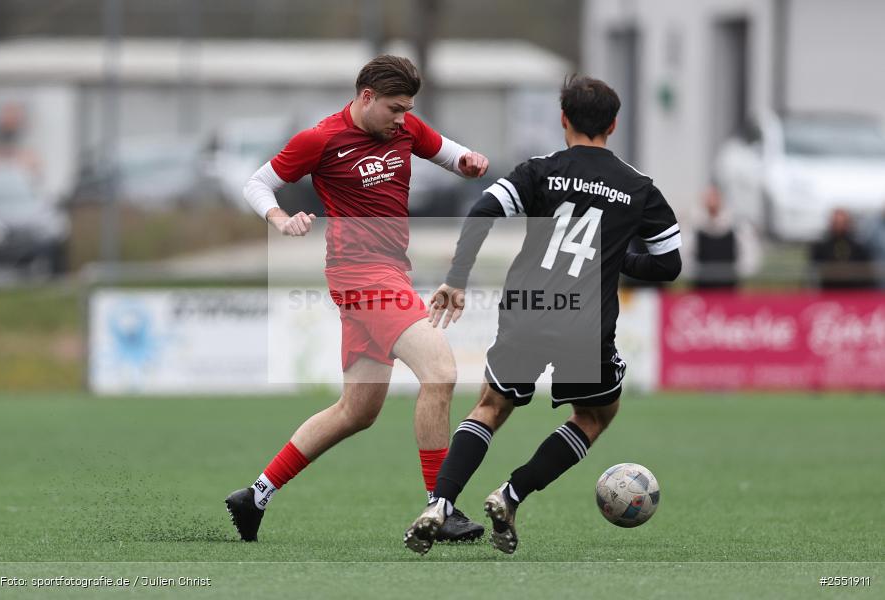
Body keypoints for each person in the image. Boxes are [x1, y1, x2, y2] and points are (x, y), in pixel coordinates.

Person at [403, 75, 682, 555]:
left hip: (526, 308)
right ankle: (510, 495)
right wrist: (617, 261)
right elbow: (669, 262)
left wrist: (458, 278)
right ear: (613, 125)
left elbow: (483, 211)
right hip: (586, 322)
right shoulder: (639, 188)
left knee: (491, 407)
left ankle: (441, 503)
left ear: (563, 120)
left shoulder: (540, 171)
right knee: (595, 415)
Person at [226, 55, 490, 543]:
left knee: (357, 411)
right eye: (394, 108)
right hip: (360, 275)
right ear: (365, 97)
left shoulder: (404, 127)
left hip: (388, 272)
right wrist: (280, 220)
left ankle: (255, 494)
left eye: (408, 109)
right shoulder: (321, 139)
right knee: (442, 372)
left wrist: (469, 162)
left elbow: (449, 153)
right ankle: (440, 507)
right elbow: (256, 182)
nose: (401, 118)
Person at [685, 184, 760, 289]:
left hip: (729, 286)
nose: (711, 201)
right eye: (708, 197)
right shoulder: (695, 226)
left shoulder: (736, 225)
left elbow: (749, 254)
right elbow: (687, 254)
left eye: (714, 197)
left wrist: (737, 271)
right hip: (702, 286)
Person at [810, 208, 875, 289]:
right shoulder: (821, 247)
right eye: (836, 223)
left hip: (854, 292)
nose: (839, 226)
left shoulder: (858, 247)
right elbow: (813, 271)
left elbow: (867, 273)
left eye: (842, 223)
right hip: (828, 292)